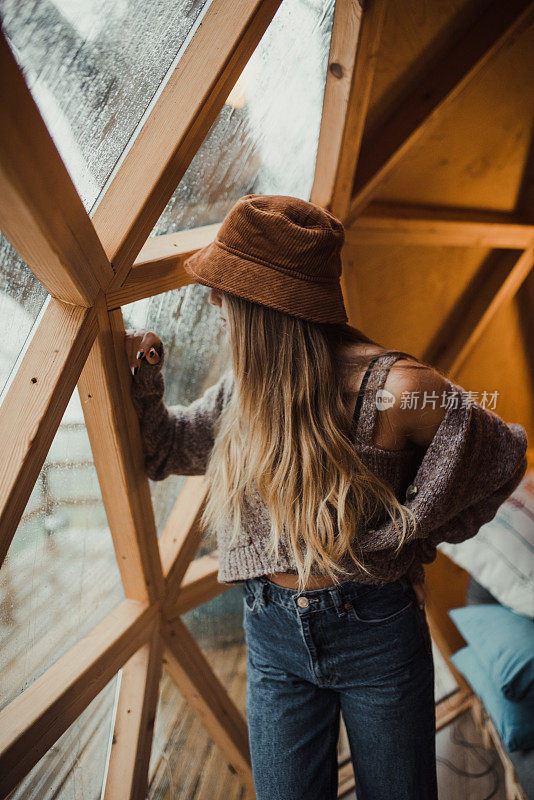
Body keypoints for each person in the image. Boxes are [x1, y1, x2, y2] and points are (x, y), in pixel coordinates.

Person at [124, 194, 528, 800]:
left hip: (377, 638)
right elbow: (165, 450)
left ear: (265, 303)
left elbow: (499, 453)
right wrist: (144, 381)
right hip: (270, 637)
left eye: (224, 287)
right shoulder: (243, 396)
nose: (213, 301)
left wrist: (406, 531)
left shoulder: (397, 389)